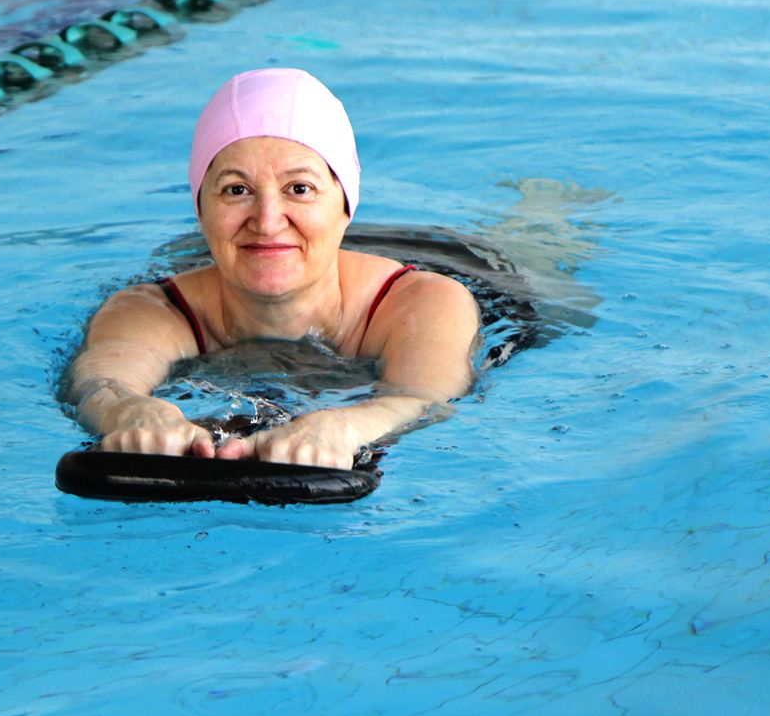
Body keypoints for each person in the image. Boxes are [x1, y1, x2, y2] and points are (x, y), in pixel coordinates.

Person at [67, 67, 481, 469]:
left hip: (467, 258)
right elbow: (99, 385)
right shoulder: (152, 310)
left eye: (299, 189)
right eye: (237, 190)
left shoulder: (425, 302)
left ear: (345, 204)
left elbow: (424, 399)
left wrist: (346, 425)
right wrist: (131, 412)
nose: (267, 221)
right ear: (200, 208)